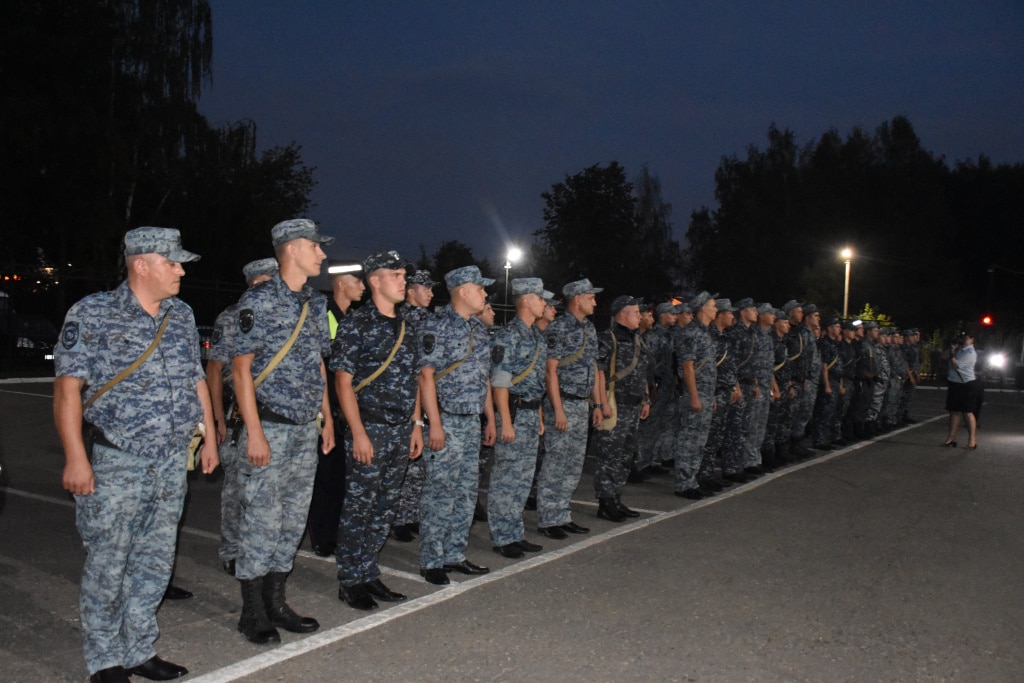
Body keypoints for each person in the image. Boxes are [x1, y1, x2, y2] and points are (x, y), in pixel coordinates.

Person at [55, 227, 218, 683]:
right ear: (141, 264)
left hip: (170, 460)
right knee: (110, 561)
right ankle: (105, 659)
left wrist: (209, 437)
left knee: (155, 558)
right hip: (117, 459)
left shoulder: (181, 315)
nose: (181, 270)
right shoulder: (93, 313)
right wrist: (75, 457)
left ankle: (139, 649)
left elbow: (194, 379)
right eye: (172, 262)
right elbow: (68, 391)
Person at [231, 218, 335, 644]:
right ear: (291, 249)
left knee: (291, 520)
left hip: (304, 429)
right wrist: (254, 433)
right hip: (269, 427)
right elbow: (240, 371)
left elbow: (318, 364)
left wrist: (325, 418)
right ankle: (252, 611)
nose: (323, 255)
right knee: (260, 519)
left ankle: (276, 601)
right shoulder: (258, 301)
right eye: (316, 247)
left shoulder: (315, 303)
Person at [333, 251, 424, 609]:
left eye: (405, 275)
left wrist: (416, 424)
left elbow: (414, 379)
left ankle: (369, 572)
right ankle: (350, 579)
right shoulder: (356, 324)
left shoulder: (407, 325)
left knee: (385, 506)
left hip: (401, 429)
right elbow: (343, 382)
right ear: (375, 281)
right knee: (359, 506)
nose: (404, 280)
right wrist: (357, 433)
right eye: (396, 274)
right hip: (369, 427)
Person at [417, 265, 496, 585]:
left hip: (472, 420)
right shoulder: (436, 326)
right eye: (481, 289)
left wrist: (489, 417)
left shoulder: (479, 330)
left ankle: (454, 553)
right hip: (446, 420)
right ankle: (432, 559)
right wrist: (434, 424)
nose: (486, 294)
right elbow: (425, 376)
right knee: (440, 491)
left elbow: (484, 378)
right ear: (463, 291)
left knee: (465, 492)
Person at [207, 257, 279, 576]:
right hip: (239, 417)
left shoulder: (283, 315)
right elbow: (214, 369)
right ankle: (232, 549)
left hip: (276, 418)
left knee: (268, 492)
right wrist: (218, 418)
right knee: (237, 490)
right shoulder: (233, 317)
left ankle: (261, 549)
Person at [537, 278, 604, 539]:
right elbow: (550, 370)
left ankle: (562, 513)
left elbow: (595, 369)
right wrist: (558, 409)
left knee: (574, 464)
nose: (595, 301)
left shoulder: (589, 328)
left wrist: (597, 404)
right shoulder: (559, 329)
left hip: (581, 404)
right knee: (556, 462)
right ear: (577, 299)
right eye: (591, 297)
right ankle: (548, 517)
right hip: (563, 402)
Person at [307, 259, 365, 557]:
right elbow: (323, 362)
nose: (363, 286)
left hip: (345, 409)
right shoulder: (325, 314)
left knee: (342, 477)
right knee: (325, 478)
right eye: (357, 281)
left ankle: (335, 531)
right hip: (327, 406)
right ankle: (322, 535)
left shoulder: (350, 318)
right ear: (341, 283)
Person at [488, 277, 548, 558]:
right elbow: (500, 381)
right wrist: (506, 422)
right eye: (540, 298)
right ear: (526, 300)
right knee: (506, 477)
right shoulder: (507, 335)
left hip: (530, 413)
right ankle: (502, 536)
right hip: (513, 413)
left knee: (523, 477)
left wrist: (539, 416)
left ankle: (515, 532)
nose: (544, 303)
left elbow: (537, 381)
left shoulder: (537, 336)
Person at [593, 295, 650, 521]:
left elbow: (642, 372)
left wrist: (645, 399)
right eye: (636, 312)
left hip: (634, 406)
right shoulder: (608, 338)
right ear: (623, 315)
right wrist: (602, 403)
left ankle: (616, 496)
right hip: (616, 405)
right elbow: (599, 371)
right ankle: (605, 502)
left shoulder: (638, 340)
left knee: (625, 455)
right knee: (610, 455)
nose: (640, 316)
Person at [391, 269, 437, 543]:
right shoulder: (404, 320)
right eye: (426, 288)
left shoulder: (430, 320)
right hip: (410, 397)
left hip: (428, 395)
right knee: (407, 463)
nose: (431, 292)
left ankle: (412, 514)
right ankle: (399, 518)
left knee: (421, 465)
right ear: (411, 291)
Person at [672, 291, 718, 499]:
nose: (716, 309)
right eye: (713, 306)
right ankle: (684, 483)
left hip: (706, 394)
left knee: (700, 440)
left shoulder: (706, 332)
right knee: (689, 438)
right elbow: (688, 367)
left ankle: (693, 479)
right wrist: (694, 396)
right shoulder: (690, 333)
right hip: (695, 394)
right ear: (703, 309)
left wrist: (710, 395)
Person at [943, 331, 979, 450]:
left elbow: (956, 365)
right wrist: (950, 348)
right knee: (954, 411)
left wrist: (953, 353)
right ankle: (951, 438)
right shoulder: (959, 349)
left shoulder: (970, 352)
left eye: (966, 338)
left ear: (972, 339)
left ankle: (972, 441)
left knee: (967, 412)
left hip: (966, 384)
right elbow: (943, 357)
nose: (964, 340)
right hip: (954, 383)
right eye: (963, 338)